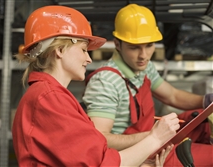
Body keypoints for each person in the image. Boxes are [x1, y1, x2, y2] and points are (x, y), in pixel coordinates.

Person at [12, 5, 180, 167]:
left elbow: (98, 157)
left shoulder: (54, 97)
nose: (89, 59)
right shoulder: (48, 99)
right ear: (60, 50)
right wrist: (155, 139)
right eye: (84, 49)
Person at [82, 3, 213, 167]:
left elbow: (172, 95)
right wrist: (153, 137)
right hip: (138, 153)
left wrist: (206, 101)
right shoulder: (105, 82)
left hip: (152, 138)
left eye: (149, 45)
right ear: (117, 44)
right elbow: (100, 138)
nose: (143, 56)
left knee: (203, 124)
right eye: (134, 48)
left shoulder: (143, 67)